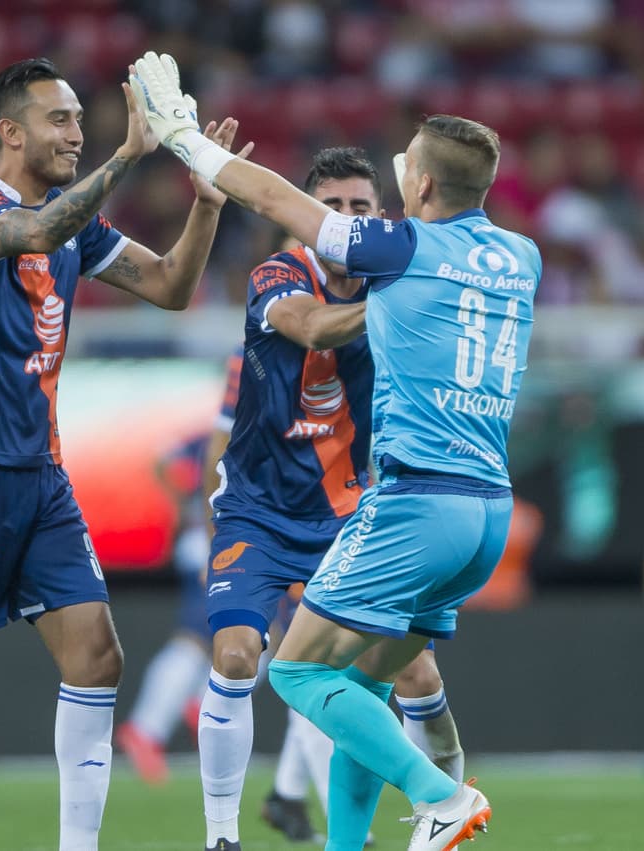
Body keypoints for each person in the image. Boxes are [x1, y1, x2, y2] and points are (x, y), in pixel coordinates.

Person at [128, 51, 540, 851]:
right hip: (488, 507)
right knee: (366, 687)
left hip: (415, 501)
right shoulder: (522, 257)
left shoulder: (404, 250)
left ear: (419, 187)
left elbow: (273, 197)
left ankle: (442, 794)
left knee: (296, 671)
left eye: (404, 169)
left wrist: (184, 136)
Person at [0, 57, 247, 851]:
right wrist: (129, 155)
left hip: (43, 476)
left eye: (81, 119)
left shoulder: (72, 218)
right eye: (61, 119)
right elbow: (38, 233)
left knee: (96, 656)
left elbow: (170, 286)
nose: (77, 133)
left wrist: (206, 207)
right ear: (10, 132)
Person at [193, 148, 464, 851]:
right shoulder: (278, 274)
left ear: (379, 216)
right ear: (308, 216)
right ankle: (221, 837)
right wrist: (397, 306)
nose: (345, 218)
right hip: (256, 509)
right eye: (331, 207)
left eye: (359, 208)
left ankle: (439, 801)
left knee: (411, 670)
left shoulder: (391, 278)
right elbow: (311, 327)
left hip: (349, 514)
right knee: (235, 657)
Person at [115, 430, 216, 786]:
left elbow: (164, 460)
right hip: (213, 544)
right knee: (196, 638)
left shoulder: (218, 432)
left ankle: (204, 703)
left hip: (228, 544)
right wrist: (186, 507)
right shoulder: (221, 432)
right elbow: (163, 460)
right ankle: (148, 728)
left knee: (263, 634)